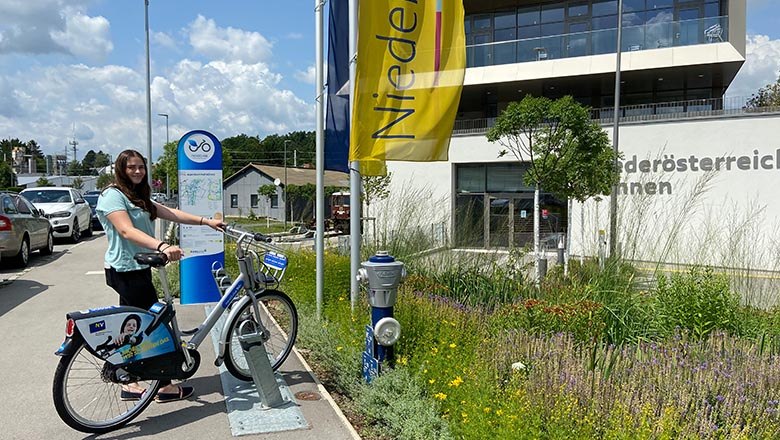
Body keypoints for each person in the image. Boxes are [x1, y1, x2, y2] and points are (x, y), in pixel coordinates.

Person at [96, 149, 225, 403]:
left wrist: (205, 221)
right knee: (157, 328)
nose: (137, 171)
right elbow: (125, 231)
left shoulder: (137, 197)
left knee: (135, 325)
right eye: (131, 167)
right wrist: (162, 246)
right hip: (125, 270)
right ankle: (161, 386)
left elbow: (171, 213)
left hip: (138, 269)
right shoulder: (113, 196)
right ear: (121, 170)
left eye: (141, 167)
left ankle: (128, 377)